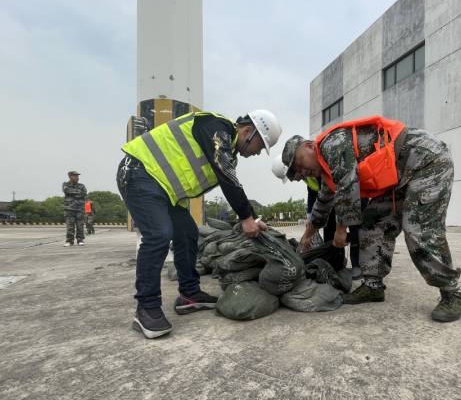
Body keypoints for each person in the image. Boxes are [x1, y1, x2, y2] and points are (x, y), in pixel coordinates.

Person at [281, 116, 461, 322]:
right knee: (373, 222)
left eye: (298, 163)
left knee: (418, 228)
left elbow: (347, 187)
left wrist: (341, 229)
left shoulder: (331, 144)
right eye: (297, 173)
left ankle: (452, 292)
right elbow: (323, 203)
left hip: (425, 161)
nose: (302, 171)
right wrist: (307, 236)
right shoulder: (326, 170)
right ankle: (373, 286)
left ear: (308, 146)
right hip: (397, 179)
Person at [118, 109, 282, 338]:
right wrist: (246, 218)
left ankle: (189, 294)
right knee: (159, 235)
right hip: (139, 172)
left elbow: (227, 176)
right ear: (247, 131)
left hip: (164, 189)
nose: (257, 153)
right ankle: (147, 307)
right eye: (259, 146)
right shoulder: (217, 128)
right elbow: (226, 174)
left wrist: (252, 218)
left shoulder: (226, 147)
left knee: (187, 234)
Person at [272, 153, 362, 279]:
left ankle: (357, 265)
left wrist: (340, 228)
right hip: (328, 203)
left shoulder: (317, 166)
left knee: (355, 229)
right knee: (330, 234)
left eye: (293, 176)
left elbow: (340, 189)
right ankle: (336, 262)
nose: (295, 180)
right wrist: (310, 218)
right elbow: (312, 194)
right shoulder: (307, 176)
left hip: (349, 196)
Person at [63, 171, 87, 247]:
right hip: (69, 208)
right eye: (75, 176)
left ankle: (80, 240)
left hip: (80, 208)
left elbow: (84, 193)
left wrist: (72, 194)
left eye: (77, 176)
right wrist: (78, 193)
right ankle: (69, 241)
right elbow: (66, 190)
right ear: (70, 176)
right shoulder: (65, 184)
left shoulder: (82, 185)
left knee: (80, 225)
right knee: (70, 226)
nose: (77, 177)